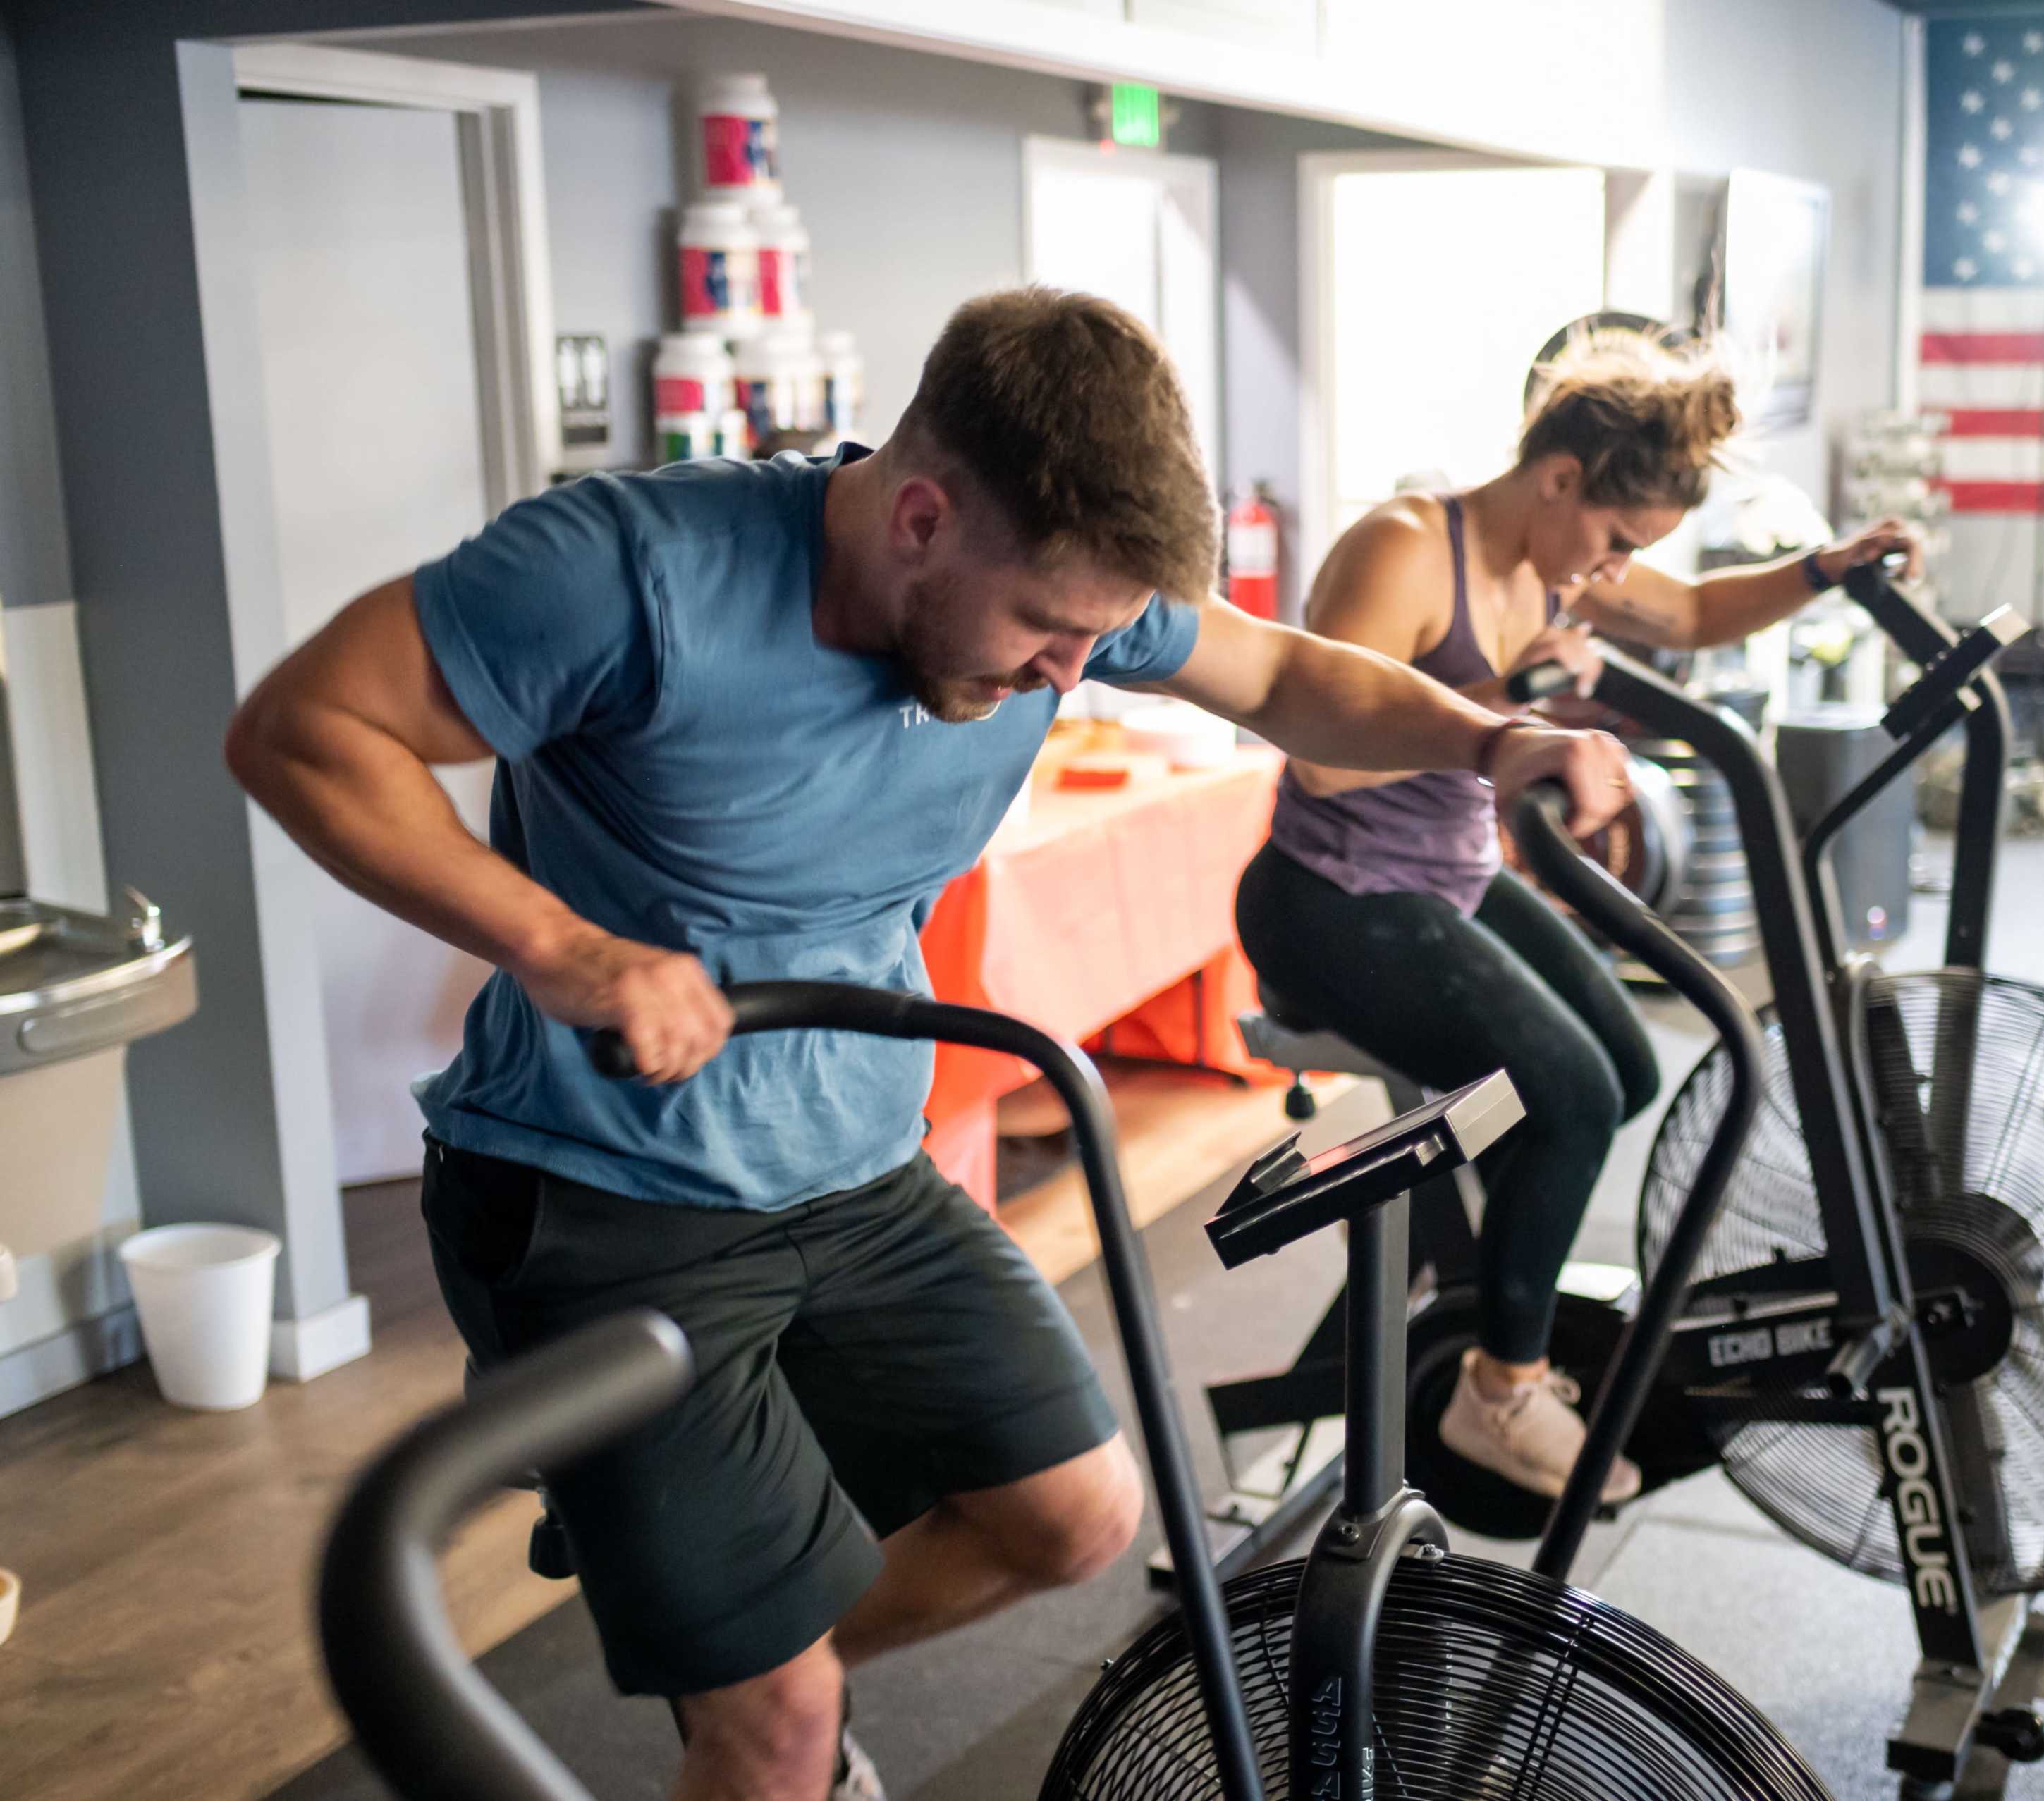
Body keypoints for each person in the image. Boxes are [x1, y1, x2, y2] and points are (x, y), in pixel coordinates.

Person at [224, 287, 1633, 1801]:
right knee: (775, 1733)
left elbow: (1289, 680)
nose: (1068, 678)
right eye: (1045, 630)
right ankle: (759, 1709)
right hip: (603, 1196)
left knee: (1077, 1521)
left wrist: (1497, 740)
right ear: (916, 518)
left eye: (1100, 640)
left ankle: (750, 1670)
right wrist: (565, 949)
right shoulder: (631, 573)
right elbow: (305, 729)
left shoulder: (1063, 578)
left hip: (855, 1169)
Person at [1235, 337, 1921, 1504]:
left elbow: (1696, 613)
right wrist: (1518, 702)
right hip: (1328, 902)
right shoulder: (1406, 550)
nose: (1614, 570)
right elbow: (1321, 753)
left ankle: (1486, 1288)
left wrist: (1826, 569)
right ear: (1559, 479)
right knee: (1571, 1102)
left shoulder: (1560, 559)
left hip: (1444, 878)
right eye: (1613, 540)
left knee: (1625, 1066)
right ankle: (1498, 1389)